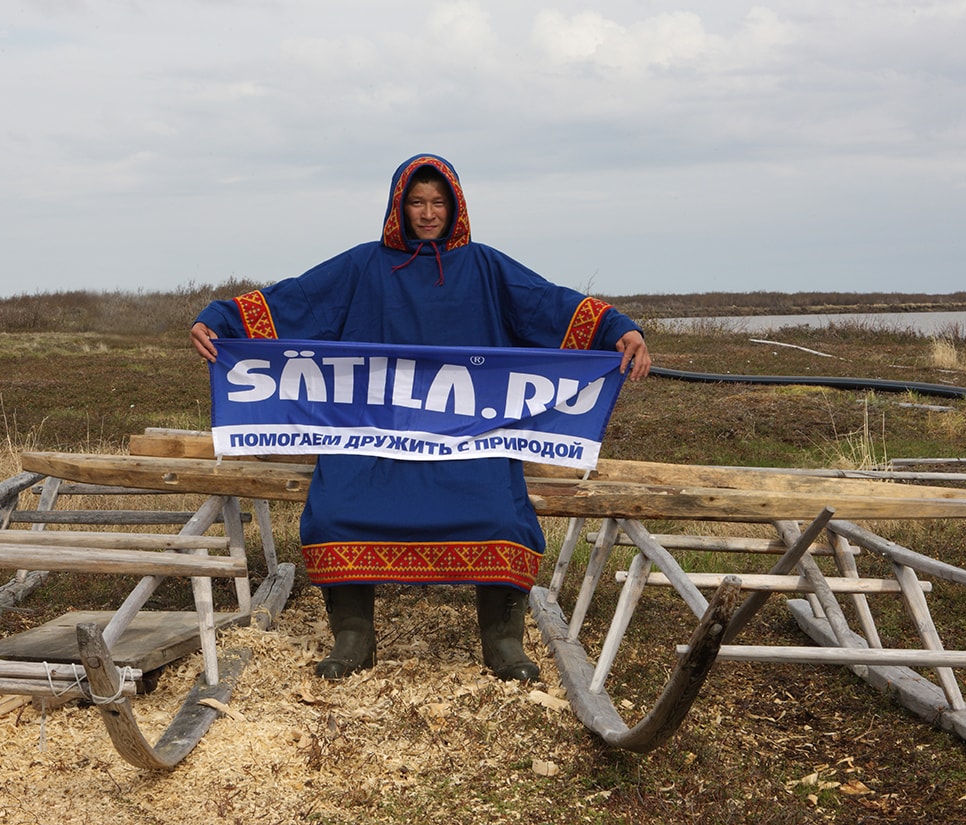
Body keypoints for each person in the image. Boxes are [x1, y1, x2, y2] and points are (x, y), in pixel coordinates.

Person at [192, 154, 650, 682]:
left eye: (438, 202)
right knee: (338, 506)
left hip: (468, 438)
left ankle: (503, 643)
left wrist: (618, 327)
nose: (428, 213)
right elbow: (294, 300)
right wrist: (219, 319)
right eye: (416, 202)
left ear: (454, 206)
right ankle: (353, 638)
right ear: (398, 205)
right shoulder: (364, 265)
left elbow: (548, 304)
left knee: (502, 513)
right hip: (372, 434)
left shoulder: (485, 267)